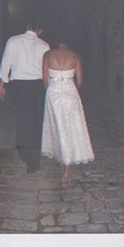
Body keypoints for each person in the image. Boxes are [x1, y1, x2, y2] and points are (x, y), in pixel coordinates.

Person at [0, 23, 50, 172]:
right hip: (38, 85)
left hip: (20, 85)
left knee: (23, 119)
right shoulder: (44, 45)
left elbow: (5, 63)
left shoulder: (13, 41)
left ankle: (26, 153)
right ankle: (34, 157)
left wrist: (2, 83)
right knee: (36, 120)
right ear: (40, 30)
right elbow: (46, 70)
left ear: (27, 26)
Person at [40, 41, 94, 170]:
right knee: (72, 124)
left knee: (56, 124)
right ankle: (68, 157)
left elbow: (45, 80)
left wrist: (52, 89)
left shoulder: (48, 55)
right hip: (70, 90)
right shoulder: (75, 56)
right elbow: (79, 80)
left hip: (53, 91)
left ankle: (63, 157)